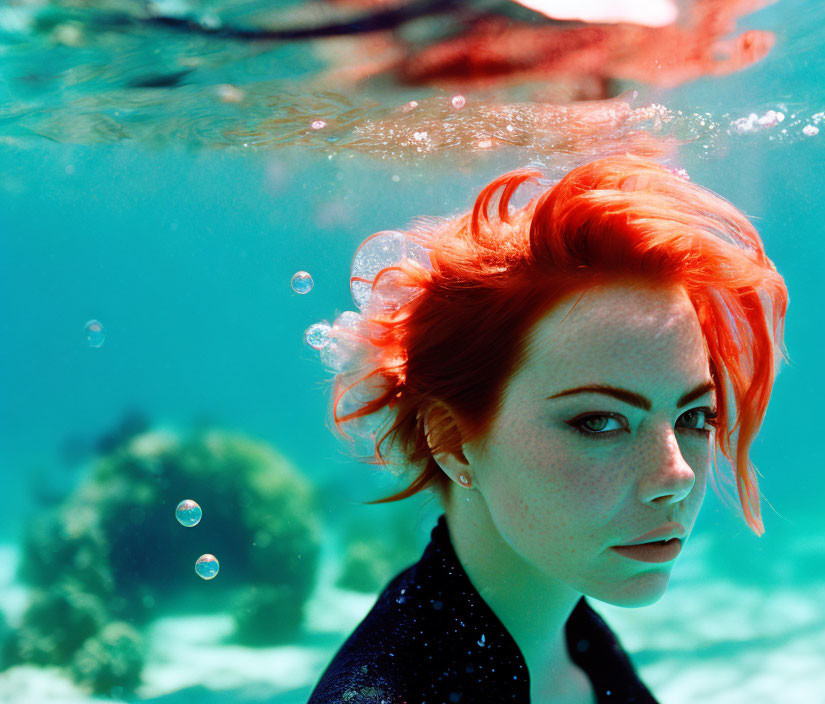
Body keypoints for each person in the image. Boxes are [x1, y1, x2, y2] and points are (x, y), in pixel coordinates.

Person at [306, 141, 790, 703]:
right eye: (600, 422)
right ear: (454, 443)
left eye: (695, 416)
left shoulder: (568, 631)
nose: (678, 475)